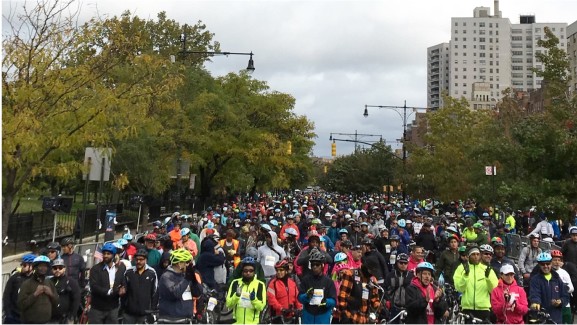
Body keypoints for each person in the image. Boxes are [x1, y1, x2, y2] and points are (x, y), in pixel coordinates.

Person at [453, 247, 498, 322]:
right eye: (473, 254)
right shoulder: (461, 268)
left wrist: (488, 279)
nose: (476, 256)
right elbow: (459, 288)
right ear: (468, 256)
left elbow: (494, 290)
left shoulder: (487, 269)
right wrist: (465, 276)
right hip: (467, 309)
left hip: (484, 309)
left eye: (478, 254)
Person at [158, 249, 203, 322]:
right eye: (187, 262)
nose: (189, 265)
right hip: (171, 320)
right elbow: (175, 294)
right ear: (179, 264)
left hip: (187, 319)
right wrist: (187, 279)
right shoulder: (166, 277)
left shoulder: (186, 276)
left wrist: (194, 281)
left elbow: (198, 294)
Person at [337, 255, 381, 324]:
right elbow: (342, 295)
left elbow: (375, 299)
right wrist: (343, 313)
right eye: (370, 270)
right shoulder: (351, 274)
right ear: (364, 266)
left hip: (365, 319)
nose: (371, 273)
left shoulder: (372, 280)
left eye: (373, 272)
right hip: (351, 316)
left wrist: (380, 310)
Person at [298, 248, 337, 324]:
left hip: (323, 317)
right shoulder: (306, 280)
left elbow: (334, 300)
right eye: (312, 265)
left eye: (317, 264)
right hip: (308, 317)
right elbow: (299, 297)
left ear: (322, 265)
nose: (314, 267)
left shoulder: (328, 282)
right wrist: (306, 296)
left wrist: (326, 302)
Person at [529, 252, 569, 324]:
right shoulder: (535, 279)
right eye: (542, 264)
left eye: (547, 263)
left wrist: (560, 302)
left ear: (551, 264)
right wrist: (536, 303)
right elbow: (535, 294)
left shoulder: (557, 279)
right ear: (539, 265)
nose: (545, 266)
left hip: (556, 318)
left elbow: (565, 296)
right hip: (541, 317)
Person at [17, 255, 59, 324]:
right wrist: (35, 294)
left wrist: (50, 293)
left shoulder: (49, 282)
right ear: (35, 267)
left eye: (45, 266)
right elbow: (21, 305)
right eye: (40, 266)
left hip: (47, 322)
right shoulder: (26, 284)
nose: (43, 268)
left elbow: (56, 302)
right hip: (30, 322)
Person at [226, 257, 267, 324]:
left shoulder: (260, 285)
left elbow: (261, 307)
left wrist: (254, 300)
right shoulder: (235, 283)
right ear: (242, 271)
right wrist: (236, 296)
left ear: (254, 272)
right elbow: (228, 304)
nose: (248, 273)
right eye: (245, 271)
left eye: (251, 271)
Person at [123, 249, 159, 324]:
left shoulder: (152, 273)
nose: (138, 261)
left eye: (141, 259)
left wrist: (153, 310)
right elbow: (124, 291)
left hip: (145, 313)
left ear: (146, 260)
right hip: (129, 312)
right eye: (137, 259)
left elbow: (155, 292)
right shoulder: (128, 272)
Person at [3, 254, 36, 323]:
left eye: (24, 265)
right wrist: (8, 313)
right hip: (13, 315)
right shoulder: (15, 277)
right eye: (22, 265)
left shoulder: (36, 279)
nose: (22, 267)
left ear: (32, 266)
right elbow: (6, 295)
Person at [383, 253, 414, 323]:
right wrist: (387, 300)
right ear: (397, 263)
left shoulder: (412, 277)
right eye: (401, 263)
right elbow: (384, 289)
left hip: (408, 309)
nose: (403, 265)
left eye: (405, 263)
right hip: (394, 308)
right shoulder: (390, 275)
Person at [49, 258, 81, 324]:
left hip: (65, 318)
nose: (57, 270)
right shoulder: (48, 282)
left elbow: (76, 299)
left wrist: (72, 315)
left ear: (64, 268)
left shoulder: (72, 282)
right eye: (55, 268)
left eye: (60, 268)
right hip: (50, 318)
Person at [550, 250, 574, 324]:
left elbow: (571, 288)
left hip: (565, 304)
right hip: (551, 304)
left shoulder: (564, 272)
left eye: (559, 260)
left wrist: (564, 288)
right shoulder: (547, 271)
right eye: (555, 260)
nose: (557, 262)